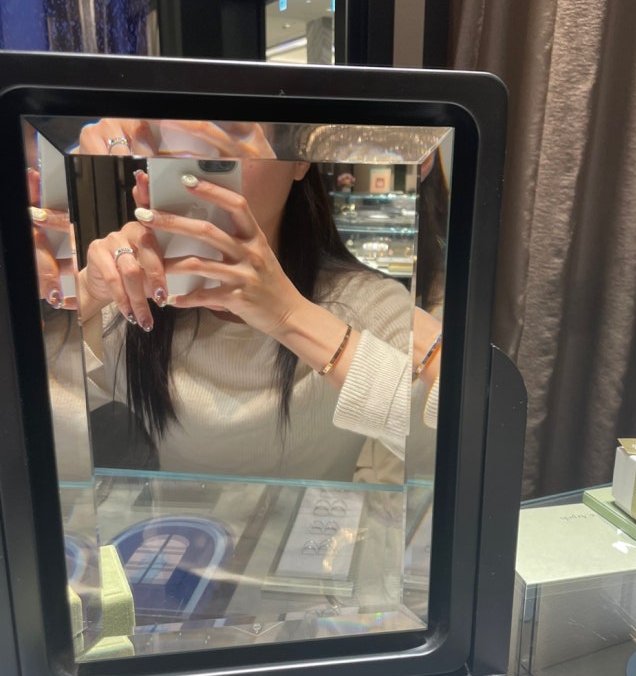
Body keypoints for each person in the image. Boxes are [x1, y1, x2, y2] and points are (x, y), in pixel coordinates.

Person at [69, 119, 439, 482]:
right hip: (174, 522)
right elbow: (43, 448)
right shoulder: (130, 302)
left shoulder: (366, 304)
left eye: (226, 142)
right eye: (173, 150)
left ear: (299, 160)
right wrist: (84, 291)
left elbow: (446, 455)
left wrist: (290, 316)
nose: (199, 173)